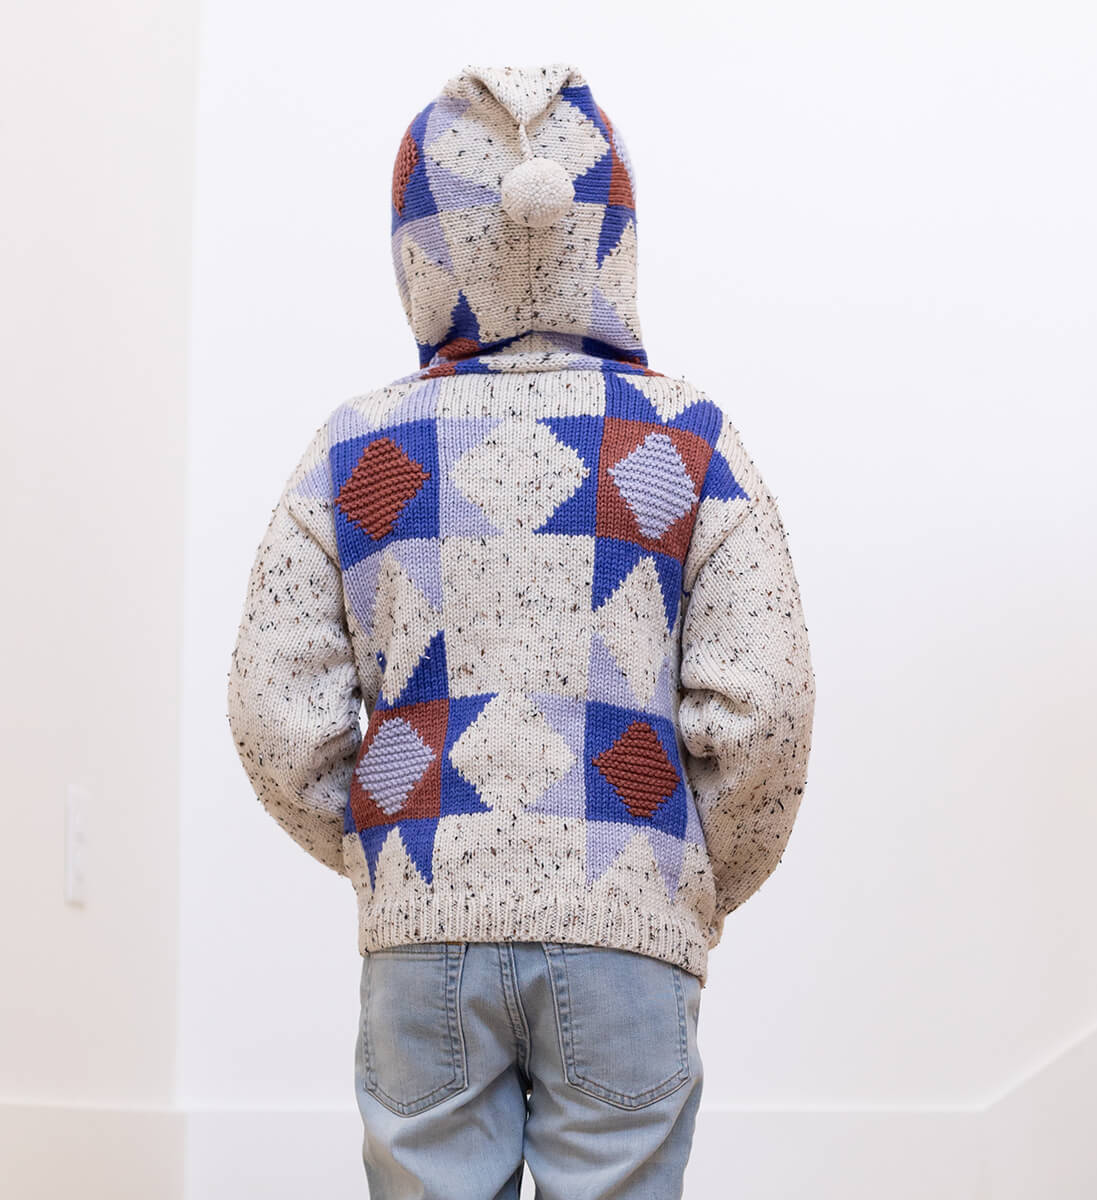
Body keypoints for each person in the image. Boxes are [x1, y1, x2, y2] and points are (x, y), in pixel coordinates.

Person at [226, 59, 815, 1200]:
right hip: (630, 911)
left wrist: (387, 851)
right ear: (611, 231)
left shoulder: (357, 451)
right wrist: (688, 875)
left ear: (420, 246)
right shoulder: (685, 444)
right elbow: (765, 710)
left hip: (422, 914)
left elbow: (276, 710)